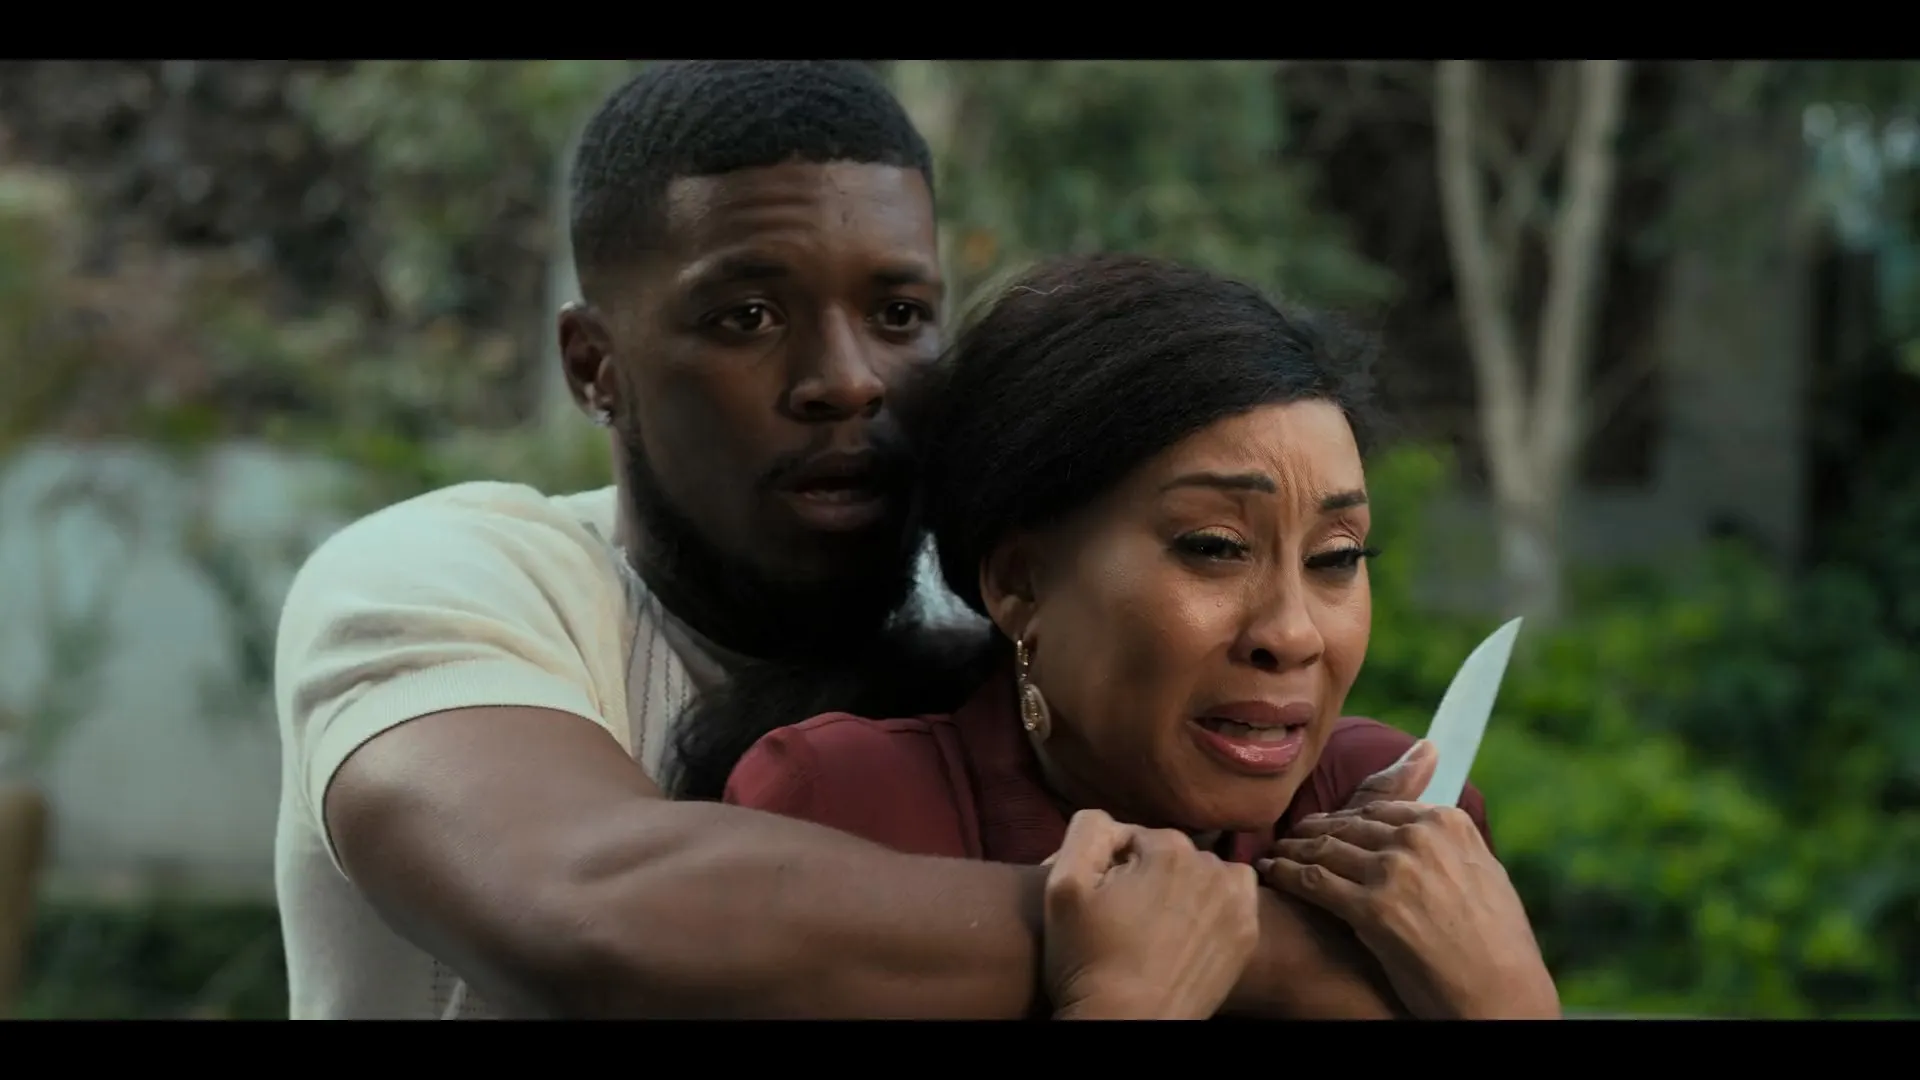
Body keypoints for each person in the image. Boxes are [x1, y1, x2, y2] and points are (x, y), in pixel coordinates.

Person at [272, 61, 1432, 1020]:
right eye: (747, 317)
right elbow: (593, 912)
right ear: (594, 365)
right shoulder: (450, 580)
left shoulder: (1000, 614)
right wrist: (1274, 950)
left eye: (899, 316)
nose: (845, 379)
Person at [691, 253, 1563, 1020]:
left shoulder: (1399, 832)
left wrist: (1509, 997)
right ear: (1021, 584)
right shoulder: (842, 809)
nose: (1292, 634)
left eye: (1336, 557)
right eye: (1214, 547)